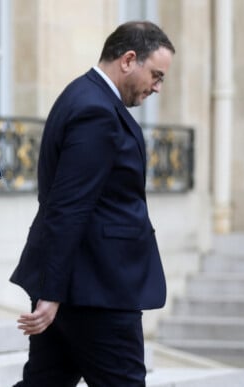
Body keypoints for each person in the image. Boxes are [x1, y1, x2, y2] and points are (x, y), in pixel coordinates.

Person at [10, 21, 175, 387]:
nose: (158, 87)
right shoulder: (95, 110)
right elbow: (70, 205)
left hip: (80, 283)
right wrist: (52, 292)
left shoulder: (84, 96)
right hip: (97, 290)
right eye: (156, 75)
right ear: (129, 59)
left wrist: (54, 290)